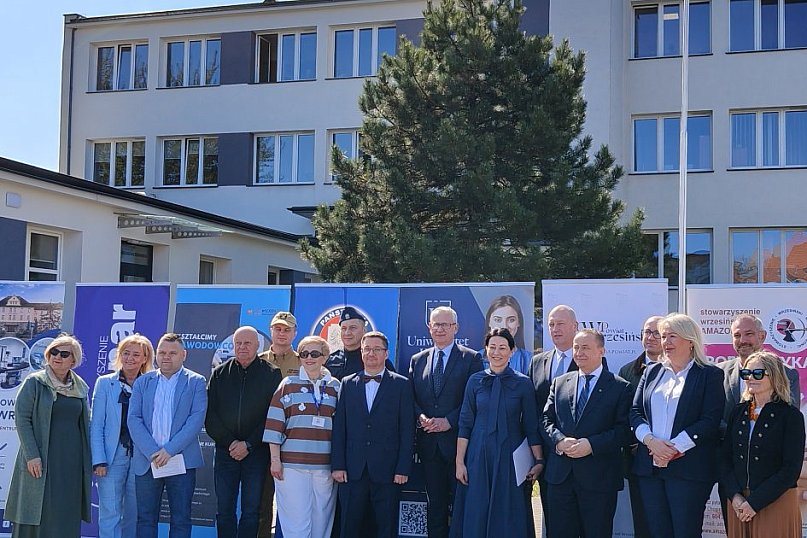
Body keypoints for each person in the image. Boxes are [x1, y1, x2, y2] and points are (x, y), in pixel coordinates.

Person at [630, 313, 725, 538]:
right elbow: (635, 412)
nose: (665, 342)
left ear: (690, 340)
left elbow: (710, 420)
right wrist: (651, 442)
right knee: (656, 532)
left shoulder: (709, 375)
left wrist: (673, 448)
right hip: (650, 468)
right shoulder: (651, 372)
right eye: (663, 336)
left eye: (672, 336)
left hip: (688, 471)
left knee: (685, 532)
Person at [451, 328, 543, 537]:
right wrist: (460, 462)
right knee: (477, 509)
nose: (496, 352)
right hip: (478, 455)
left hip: (511, 457)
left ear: (512, 351)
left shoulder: (523, 383)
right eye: (492, 347)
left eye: (502, 348)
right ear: (486, 349)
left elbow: (531, 425)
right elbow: (465, 423)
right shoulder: (474, 381)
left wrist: (539, 461)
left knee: (508, 511)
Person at [543, 329, 633, 538]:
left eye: (585, 347)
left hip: (599, 480)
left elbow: (624, 431)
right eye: (576, 347)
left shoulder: (620, 387)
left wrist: (591, 445)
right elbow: (546, 420)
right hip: (561, 478)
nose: (579, 352)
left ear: (602, 351)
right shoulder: (560, 383)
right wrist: (559, 441)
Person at [717, 313, 801, 531]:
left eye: (758, 373)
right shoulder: (739, 412)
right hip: (737, 501)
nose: (751, 377)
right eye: (747, 372)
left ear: (774, 376)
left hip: (774, 500)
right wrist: (735, 496)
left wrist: (755, 502)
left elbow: (790, 468)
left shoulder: (790, 415)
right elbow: (724, 459)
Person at [5, 334, 92, 538]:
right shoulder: (34, 382)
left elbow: (85, 423)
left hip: (71, 463)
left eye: (64, 354)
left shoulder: (80, 387)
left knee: (65, 510)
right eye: (54, 352)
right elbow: (22, 419)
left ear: (74, 360)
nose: (57, 357)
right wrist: (32, 455)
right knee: (38, 511)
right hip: (41, 458)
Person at [331, 331, 414, 538]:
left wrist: (402, 468)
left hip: (388, 471)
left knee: (386, 527)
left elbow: (407, 429)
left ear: (386, 353)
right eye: (367, 349)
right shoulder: (347, 383)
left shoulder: (402, 384)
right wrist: (338, 465)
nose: (371, 353)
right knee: (349, 527)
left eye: (377, 349)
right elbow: (340, 427)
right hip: (353, 469)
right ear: (361, 352)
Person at [409, 306, 483, 538]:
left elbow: (475, 400)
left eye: (445, 324)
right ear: (429, 328)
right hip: (429, 447)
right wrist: (420, 417)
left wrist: (450, 421)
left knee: (462, 506)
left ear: (456, 328)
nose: (439, 329)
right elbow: (410, 398)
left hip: (459, 447)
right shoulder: (418, 360)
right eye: (435, 324)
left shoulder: (471, 358)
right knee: (435, 507)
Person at [128, 333, 207, 538]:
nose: (166, 357)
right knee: (145, 519)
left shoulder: (196, 382)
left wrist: (169, 450)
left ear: (184, 355)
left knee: (181, 519)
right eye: (162, 352)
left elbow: (196, 420)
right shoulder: (143, 382)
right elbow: (134, 419)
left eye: (172, 353)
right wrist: (153, 452)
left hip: (180, 460)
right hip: (148, 461)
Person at [206, 326, 282, 538]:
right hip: (226, 453)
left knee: (251, 512)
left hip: (256, 453)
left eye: (247, 343)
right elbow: (210, 415)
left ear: (258, 345)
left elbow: (272, 415)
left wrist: (248, 444)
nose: (242, 347)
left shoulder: (271, 374)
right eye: (238, 343)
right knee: (224, 511)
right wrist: (231, 443)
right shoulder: (220, 374)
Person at [265, 336, 341, 538]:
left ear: (324, 357)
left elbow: (342, 428)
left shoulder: (335, 386)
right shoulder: (287, 384)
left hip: (324, 466)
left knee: (322, 521)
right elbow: (274, 424)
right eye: (304, 354)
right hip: (292, 466)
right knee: (296, 523)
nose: (309, 358)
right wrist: (275, 460)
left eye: (314, 353)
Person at [91, 334, 155, 538]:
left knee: (134, 513)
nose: (130, 358)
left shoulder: (152, 384)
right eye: (126, 353)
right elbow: (96, 425)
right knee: (110, 511)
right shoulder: (104, 383)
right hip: (112, 456)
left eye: (136, 354)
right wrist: (99, 460)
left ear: (145, 358)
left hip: (141, 456)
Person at [529, 304, 580, 528]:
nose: (555, 329)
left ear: (575, 326)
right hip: (547, 453)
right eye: (551, 324)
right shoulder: (537, 361)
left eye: (560, 323)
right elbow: (532, 407)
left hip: (578, 452)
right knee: (554, 521)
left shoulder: (587, 358)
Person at [617, 315, 663, 538]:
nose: (650, 337)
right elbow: (622, 414)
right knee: (643, 523)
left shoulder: (680, 370)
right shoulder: (627, 371)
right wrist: (634, 443)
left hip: (672, 456)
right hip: (639, 458)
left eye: (657, 333)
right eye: (647, 332)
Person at [256, 311, 299, 538]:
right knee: (261, 502)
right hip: (261, 439)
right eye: (278, 329)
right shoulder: (258, 360)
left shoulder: (303, 361)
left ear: (295, 333)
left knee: (293, 503)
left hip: (293, 441)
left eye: (287, 329)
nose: (282, 333)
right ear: (271, 331)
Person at [326, 306, 394, 380]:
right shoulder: (331, 360)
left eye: (353, 328)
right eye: (344, 328)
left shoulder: (376, 359)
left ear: (364, 331)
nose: (347, 333)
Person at [480, 295, 531, 374]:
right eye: (498, 320)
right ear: (489, 322)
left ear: (519, 322)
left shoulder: (530, 360)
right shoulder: (476, 358)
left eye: (511, 320)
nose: (504, 326)